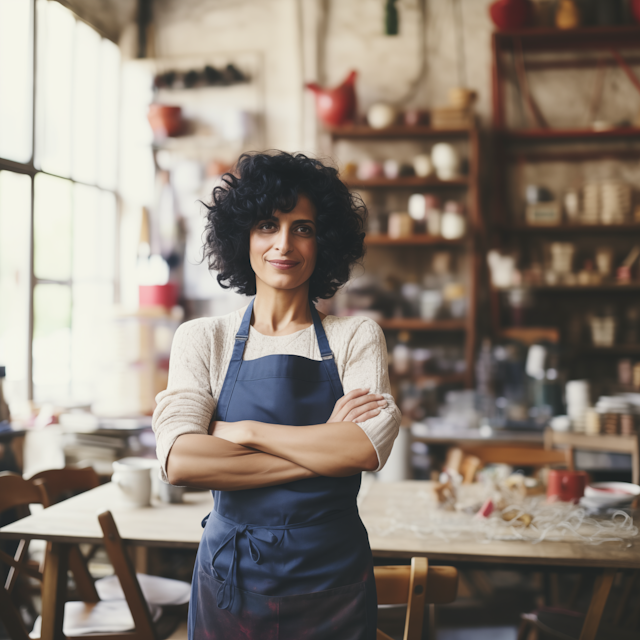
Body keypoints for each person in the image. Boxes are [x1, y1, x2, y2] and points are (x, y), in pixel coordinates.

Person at [152, 151, 401, 639]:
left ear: (323, 240)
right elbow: (180, 462)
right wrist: (325, 448)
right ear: (243, 235)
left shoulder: (357, 337)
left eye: (303, 228)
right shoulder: (204, 339)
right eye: (268, 225)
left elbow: (365, 449)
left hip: (332, 576)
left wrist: (244, 432)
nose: (284, 244)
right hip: (232, 578)